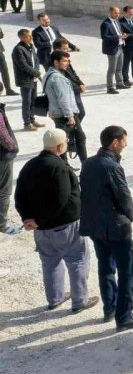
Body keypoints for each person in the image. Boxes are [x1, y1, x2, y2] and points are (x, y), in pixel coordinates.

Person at [14, 129, 97, 312]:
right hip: (64, 226)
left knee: (50, 263)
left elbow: (19, 195)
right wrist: (40, 221)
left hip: (41, 230)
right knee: (77, 260)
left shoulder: (30, 165)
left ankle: (55, 299)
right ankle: (80, 301)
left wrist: (28, 219)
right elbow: (60, 200)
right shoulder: (59, 167)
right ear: (60, 146)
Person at [79, 125, 133, 331]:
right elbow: (123, 195)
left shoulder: (89, 163)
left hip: (95, 226)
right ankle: (125, 315)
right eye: (124, 140)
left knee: (105, 267)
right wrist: (130, 217)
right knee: (126, 270)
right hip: (115, 227)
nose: (126, 144)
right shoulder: (112, 167)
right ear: (115, 142)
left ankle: (109, 307)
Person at [44, 51, 87, 162]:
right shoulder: (58, 78)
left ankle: (65, 164)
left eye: (68, 61)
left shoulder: (48, 73)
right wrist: (70, 116)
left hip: (56, 112)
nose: (67, 63)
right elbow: (63, 99)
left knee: (61, 140)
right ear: (56, 62)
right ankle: (84, 164)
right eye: (64, 61)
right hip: (64, 114)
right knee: (80, 138)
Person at [13, 29, 44, 131]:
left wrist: (37, 72)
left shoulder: (31, 46)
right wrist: (36, 73)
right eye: (28, 36)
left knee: (33, 100)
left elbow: (36, 60)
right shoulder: (18, 49)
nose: (31, 38)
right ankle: (27, 123)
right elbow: (23, 65)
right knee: (27, 101)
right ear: (22, 38)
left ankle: (32, 119)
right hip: (25, 79)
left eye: (31, 36)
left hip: (33, 78)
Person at [99, 6, 129, 92]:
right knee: (112, 69)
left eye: (118, 13)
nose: (117, 14)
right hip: (112, 49)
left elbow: (119, 32)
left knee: (119, 68)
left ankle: (119, 83)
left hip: (120, 47)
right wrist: (118, 36)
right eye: (115, 13)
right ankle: (110, 87)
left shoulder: (117, 22)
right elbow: (104, 37)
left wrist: (123, 35)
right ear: (110, 12)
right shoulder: (105, 23)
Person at [0, 103, 19, 234]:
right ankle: (2, 224)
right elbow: (3, 136)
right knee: (4, 191)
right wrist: (13, 147)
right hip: (2, 157)